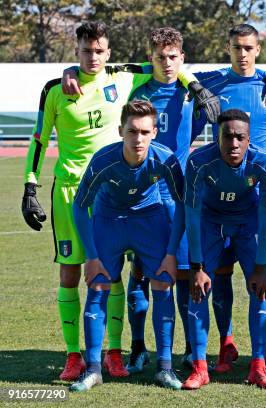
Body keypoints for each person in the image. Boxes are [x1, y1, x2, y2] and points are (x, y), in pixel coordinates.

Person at [21, 21, 213, 381]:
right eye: (84, 51)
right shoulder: (56, 88)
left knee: (132, 277)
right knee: (74, 273)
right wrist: (30, 184)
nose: (92, 57)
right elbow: (39, 139)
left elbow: (168, 66)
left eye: (98, 51)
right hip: (71, 190)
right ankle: (75, 356)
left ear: (109, 54)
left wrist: (196, 84)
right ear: (75, 51)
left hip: (129, 195)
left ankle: (118, 352)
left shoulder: (123, 77)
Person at [190, 23, 266, 373]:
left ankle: (262, 354)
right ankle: (225, 342)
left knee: (259, 279)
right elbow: (172, 68)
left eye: (248, 47)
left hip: (256, 200)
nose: (242, 53)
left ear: (258, 49)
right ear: (229, 47)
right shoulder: (213, 81)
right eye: (236, 47)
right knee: (218, 276)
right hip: (217, 198)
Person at [70, 100, 185, 391]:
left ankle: (164, 368)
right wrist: (91, 256)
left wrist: (171, 253)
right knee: (97, 287)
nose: (138, 138)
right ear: (121, 130)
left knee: (162, 285)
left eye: (145, 132)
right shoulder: (103, 160)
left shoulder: (166, 159)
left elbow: (183, 204)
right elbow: (80, 206)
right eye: (132, 131)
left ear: (155, 132)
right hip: (109, 220)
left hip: (149, 220)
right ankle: (94, 369)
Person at [182, 109, 266, 389]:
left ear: (249, 139)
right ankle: (200, 368)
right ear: (217, 136)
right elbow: (192, 212)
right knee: (198, 289)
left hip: (247, 225)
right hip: (211, 224)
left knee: (260, 289)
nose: (234, 144)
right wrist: (197, 266)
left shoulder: (264, 163)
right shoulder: (199, 162)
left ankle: (258, 367)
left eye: (240, 137)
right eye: (227, 136)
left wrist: (261, 265)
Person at [124, 27, 198, 373]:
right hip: (143, 197)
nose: (167, 63)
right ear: (149, 58)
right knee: (140, 274)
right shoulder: (139, 91)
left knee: (182, 275)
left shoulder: (191, 92)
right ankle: (138, 347)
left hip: (179, 196)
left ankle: (184, 349)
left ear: (182, 59)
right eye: (159, 57)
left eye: (173, 57)